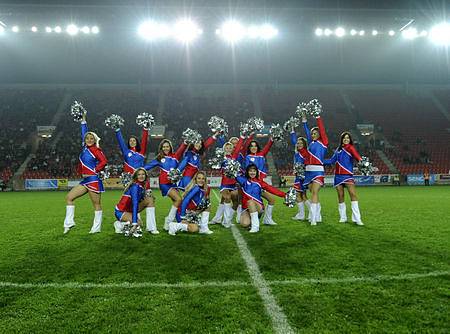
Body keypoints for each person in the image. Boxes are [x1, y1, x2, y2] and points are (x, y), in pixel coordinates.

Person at [63, 112, 108, 234]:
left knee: (96, 204)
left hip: (93, 180)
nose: (88, 139)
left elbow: (104, 161)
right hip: (84, 181)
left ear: (95, 140)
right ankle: (69, 223)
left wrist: (96, 170)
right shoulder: (85, 148)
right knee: (69, 198)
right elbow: (84, 131)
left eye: (91, 138)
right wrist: (83, 119)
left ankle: (96, 228)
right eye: (87, 138)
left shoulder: (96, 150)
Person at [113, 123, 158, 234]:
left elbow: (144, 140)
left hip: (142, 179)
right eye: (130, 141)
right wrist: (117, 129)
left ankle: (152, 228)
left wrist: (145, 128)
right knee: (134, 200)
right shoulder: (126, 152)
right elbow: (121, 142)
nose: (132, 142)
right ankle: (124, 223)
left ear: (137, 142)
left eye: (134, 140)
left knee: (150, 199)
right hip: (131, 181)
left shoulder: (141, 152)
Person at [144, 138, 187, 230]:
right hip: (164, 184)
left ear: (170, 147)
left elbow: (182, 148)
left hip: (173, 184)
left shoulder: (175, 156)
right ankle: (168, 221)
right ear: (161, 148)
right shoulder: (160, 158)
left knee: (178, 202)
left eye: (167, 146)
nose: (165, 148)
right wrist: (138, 170)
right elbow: (148, 166)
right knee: (178, 199)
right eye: (164, 147)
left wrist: (185, 142)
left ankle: (179, 222)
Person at [325, 132, 364, 226]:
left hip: (347, 176)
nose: (346, 139)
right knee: (341, 196)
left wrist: (362, 162)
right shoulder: (338, 150)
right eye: (344, 138)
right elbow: (331, 161)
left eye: (348, 138)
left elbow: (357, 156)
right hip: (338, 176)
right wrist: (318, 161)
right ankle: (343, 217)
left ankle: (357, 218)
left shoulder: (350, 148)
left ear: (350, 140)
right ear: (341, 139)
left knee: (353, 195)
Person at [235, 164, 287, 233]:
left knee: (250, 202)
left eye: (254, 171)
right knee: (245, 224)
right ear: (247, 172)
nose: (252, 173)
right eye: (250, 171)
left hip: (258, 206)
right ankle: (253, 220)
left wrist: (285, 195)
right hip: (246, 208)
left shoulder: (260, 182)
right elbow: (234, 175)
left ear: (257, 172)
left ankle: (255, 227)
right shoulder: (244, 181)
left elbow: (272, 189)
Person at [242, 135, 278, 226]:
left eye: (255, 146)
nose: (253, 147)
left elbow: (268, 146)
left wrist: (272, 138)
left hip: (261, 183)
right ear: (249, 148)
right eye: (251, 146)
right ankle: (247, 216)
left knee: (272, 200)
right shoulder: (247, 157)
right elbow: (247, 171)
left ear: (257, 147)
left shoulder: (262, 155)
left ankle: (267, 219)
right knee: (250, 202)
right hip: (253, 185)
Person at [303, 113, 328, 226]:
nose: (313, 135)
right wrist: (304, 123)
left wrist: (318, 117)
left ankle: (313, 218)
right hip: (308, 171)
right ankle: (318, 213)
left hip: (318, 171)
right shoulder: (310, 143)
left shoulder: (323, 142)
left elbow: (322, 129)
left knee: (314, 192)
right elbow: (307, 134)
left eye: (315, 133)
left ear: (320, 135)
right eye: (312, 134)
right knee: (311, 191)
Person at [168, 171, 213, 235]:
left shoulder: (207, 188)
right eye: (199, 178)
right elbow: (185, 201)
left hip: (192, 213)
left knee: (208, 205)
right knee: (194, 229)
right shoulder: (196, 188)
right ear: (195, 179)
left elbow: (204, 204)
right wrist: (183, 217)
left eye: (203, 178)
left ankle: (204, 228)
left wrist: (197, 212)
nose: (201, 180)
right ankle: (174, 226)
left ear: (205, 180)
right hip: (183, 213)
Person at [114, 168, 155, 237]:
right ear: (136, 176)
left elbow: (143, 199)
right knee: (138, 224)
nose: (141, 176)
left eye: (143, 174)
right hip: (121, 211)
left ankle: (152, 228)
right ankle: (119, 225)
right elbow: (135, 204)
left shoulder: (142, 186)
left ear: (145, 176)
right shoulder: (135, 186)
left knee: (150, 200)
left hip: (129, 209)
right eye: (139, 174)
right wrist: (134, 223)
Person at [210, 136, 240, 225]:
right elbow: (216, 165)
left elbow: (238, 147)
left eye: (230, 147)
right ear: (224, 149)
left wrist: (242, 137)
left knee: (235, 201)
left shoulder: (234, 157)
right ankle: (226, 221)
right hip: (225, 183)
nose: (229, 149)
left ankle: (221, 219)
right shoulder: (221, 158)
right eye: (226, 148)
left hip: (233, 183)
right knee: (227, 198)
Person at [289, 124, 311, 221]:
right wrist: (292, 130)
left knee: (299, 195)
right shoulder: (297, 153)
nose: (298, 144)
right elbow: (294, 141)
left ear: (304, 144)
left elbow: (307, 163)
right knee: (302, 195)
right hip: (299, 176)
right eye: (298, 143)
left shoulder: (305, 152)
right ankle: (309, 213)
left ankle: (305, 214)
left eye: (301, 143)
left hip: (303, 176)